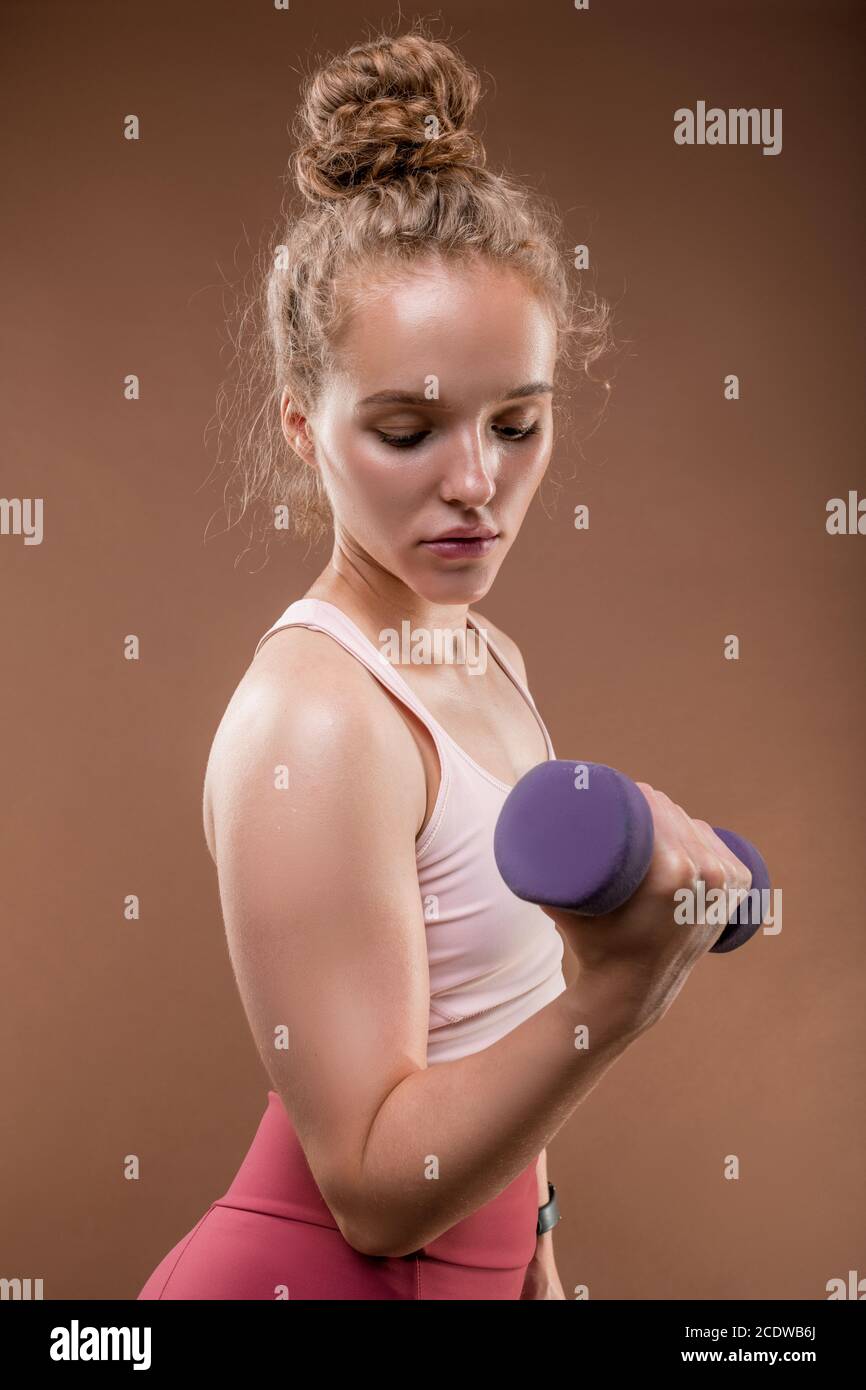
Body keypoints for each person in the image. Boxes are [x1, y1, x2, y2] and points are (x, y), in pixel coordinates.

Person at [137, 24, 751, 1301]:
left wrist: (534, 1249)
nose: (475, 484)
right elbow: (366, 1184)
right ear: (305, 428)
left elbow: (481, 1027)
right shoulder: (314, 721)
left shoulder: (481, 651)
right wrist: (621, 992)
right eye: (408, 429)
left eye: (516, 423)